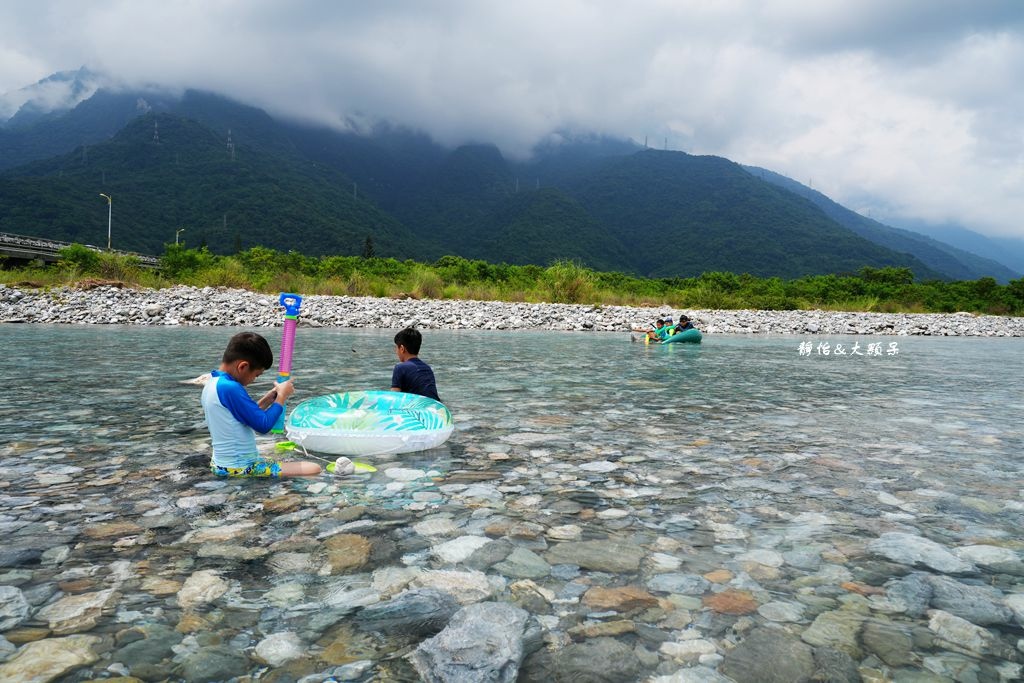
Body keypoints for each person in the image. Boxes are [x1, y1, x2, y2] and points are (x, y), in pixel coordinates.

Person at [201, 332, 321, 477]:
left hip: (221, 464)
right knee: (313, 468)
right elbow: (263, 425)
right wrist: (281, 397)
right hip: (241, 468)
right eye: (256, 375)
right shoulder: (231, 388)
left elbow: (245, 416)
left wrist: (270, 399)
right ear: (243, 367)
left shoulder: (213, 383)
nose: (254, 380)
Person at [391, 327, 440, 402]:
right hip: (434, 408)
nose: (396, 351)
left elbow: (394, 398)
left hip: (416, 410)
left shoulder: (400, 368)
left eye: (396, 348)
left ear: (402, 349)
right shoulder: (427, 368)